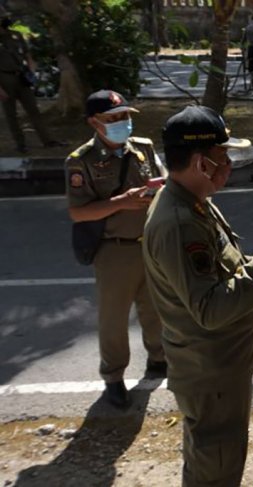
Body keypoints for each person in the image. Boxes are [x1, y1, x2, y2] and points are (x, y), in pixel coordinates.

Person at [142, 104, 253, 487]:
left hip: (219, 366)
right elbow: (211, 309)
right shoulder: (180, 222)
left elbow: (227, 268)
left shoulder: (196, 204)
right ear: (202, 163)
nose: (229, 163)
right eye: (223, 155)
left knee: (211, 460)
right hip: (210, 371)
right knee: (216, 467)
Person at [65, 89, 167, 408]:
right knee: (114, 319)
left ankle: (159, 360)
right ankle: (113, 377)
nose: (122, 123)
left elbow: (165, 184)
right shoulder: (81, 161)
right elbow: (79, 212)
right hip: (114, 250)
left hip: (149, 244)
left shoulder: (144, 149)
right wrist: (123, 202)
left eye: (125, 116)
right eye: (113, 119)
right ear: (94, 123)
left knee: (155, 310)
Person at [0, 6, 63, 153]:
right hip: (4, 78)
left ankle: (48, 140)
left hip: (21, 77)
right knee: (11, 114)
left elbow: (27, 55)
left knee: (33, 110)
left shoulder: (16, 36)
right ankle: (20, 144)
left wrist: (31, 70)